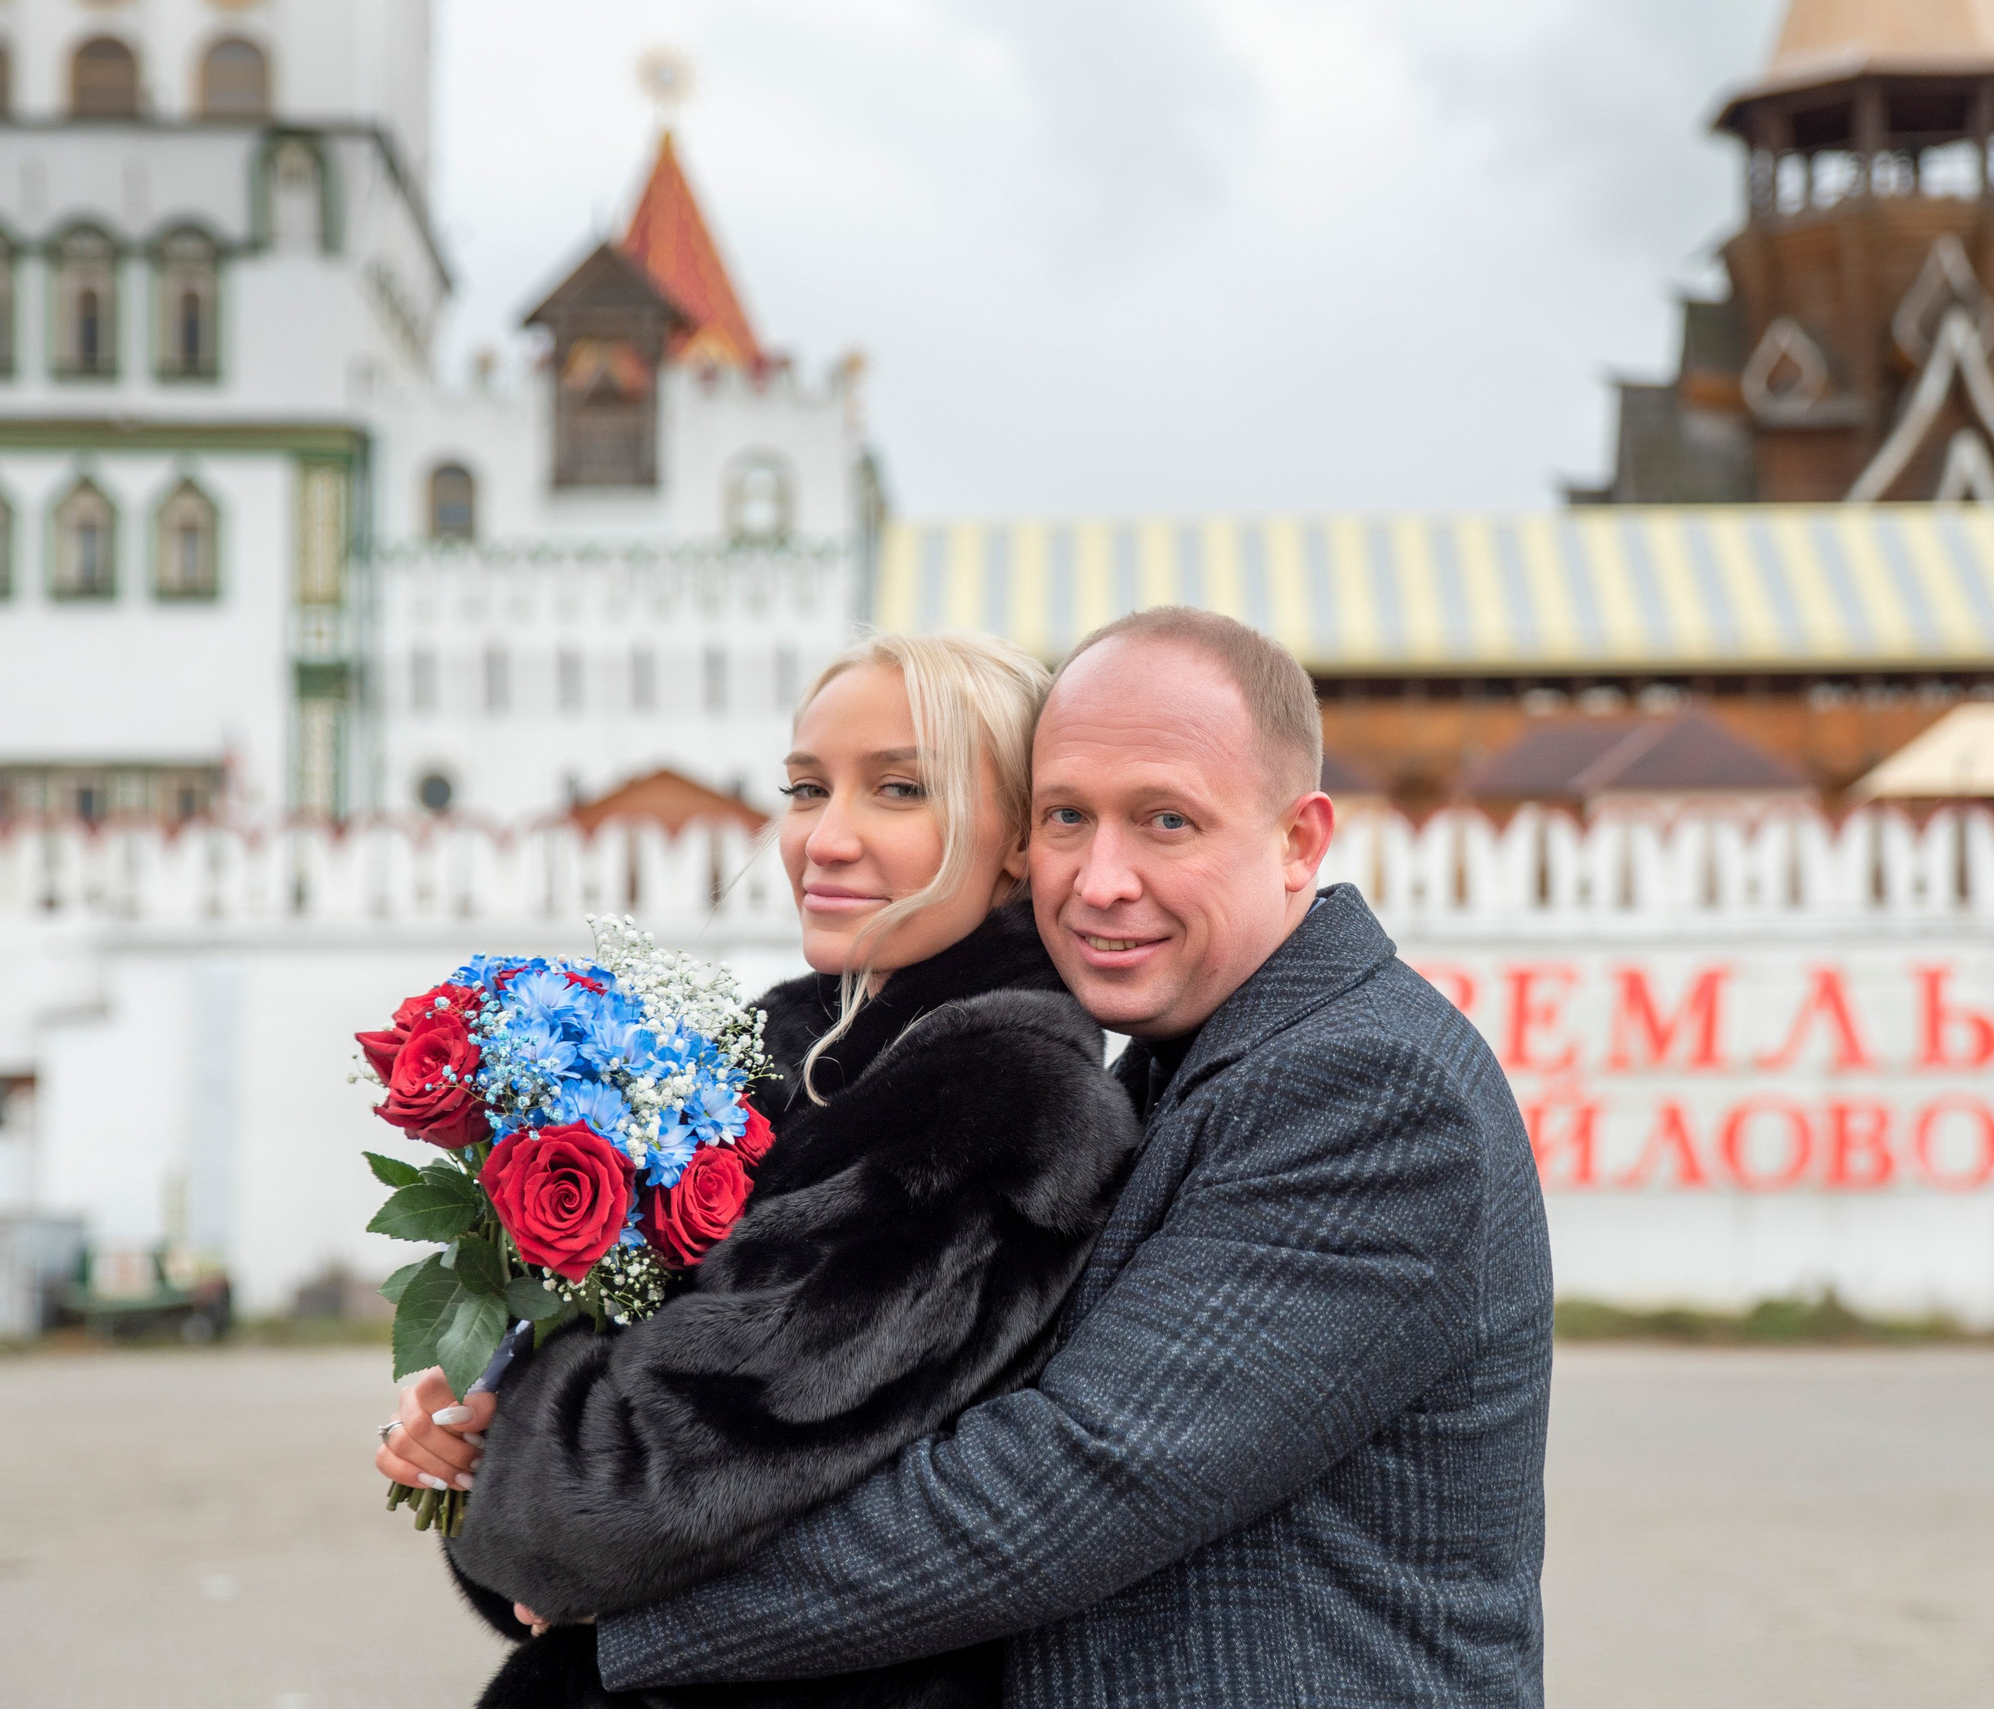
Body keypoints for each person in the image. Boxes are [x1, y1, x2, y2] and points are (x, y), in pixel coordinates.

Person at [437, 606, 1557, 1707]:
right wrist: (497, 1403)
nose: (1100, 878)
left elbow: (1078, 1474)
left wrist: (627, 1618)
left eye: (1166, 820)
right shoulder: (1178, 1064)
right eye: (1069, 816)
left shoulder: (1364, 1083)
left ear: (1298, 838)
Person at [376, 631, 1144, 1708]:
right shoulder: (787, 1049)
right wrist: (475, 1415)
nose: (824, 838)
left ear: (1019, 838)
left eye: (898, 789)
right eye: (804, 787)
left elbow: (629, 1494)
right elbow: (559, 1550)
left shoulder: (992, 1104)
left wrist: (512, 1447)